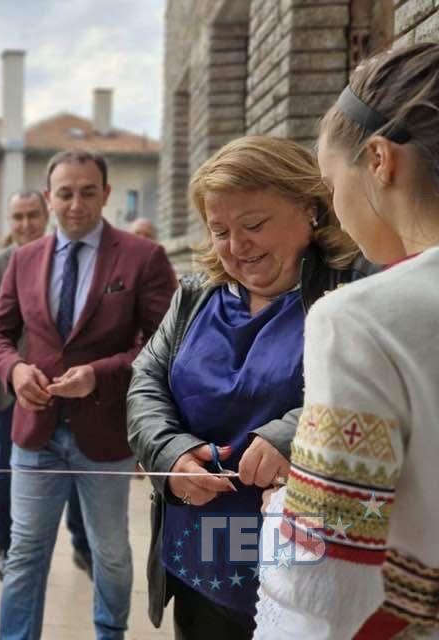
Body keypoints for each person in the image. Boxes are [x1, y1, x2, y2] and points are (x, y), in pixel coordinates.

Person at [126, 136, 374, 639]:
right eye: (219, 231)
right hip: (199, 555)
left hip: (301, 555)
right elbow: (145, 382)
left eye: (254, 225)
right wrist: (170, 452)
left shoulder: (354, 290)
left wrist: (289, 436)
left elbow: (375, 390)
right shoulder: (195, 295)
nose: (237, 247)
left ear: (309, 208)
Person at [254, 43, 439, 639]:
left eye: (332, 183)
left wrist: (284, 512)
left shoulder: (361, 318)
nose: (335, 207)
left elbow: (323, 577)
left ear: (380, 160)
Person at [0, 149, 178, 639]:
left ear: (106, 194)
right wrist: (14, 370)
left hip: (105, 434)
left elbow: (166, 344)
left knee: (108, 550)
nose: (75, 204)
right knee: (25, 550)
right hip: (36, 433)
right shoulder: (23, 259)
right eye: (65, 193)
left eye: (88, 192)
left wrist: (100, 374)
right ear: (49, 197)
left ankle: (110, 633)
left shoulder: (143, 257)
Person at [0, 189, 91, 580]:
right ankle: (4, 544)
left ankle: (83, 545)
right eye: (17, 217)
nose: (25, 224)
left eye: (32, 215)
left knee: (78, 465)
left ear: (47, 213)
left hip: (67, 388)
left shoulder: (73, 259)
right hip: (13, 392)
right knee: (7, 467)